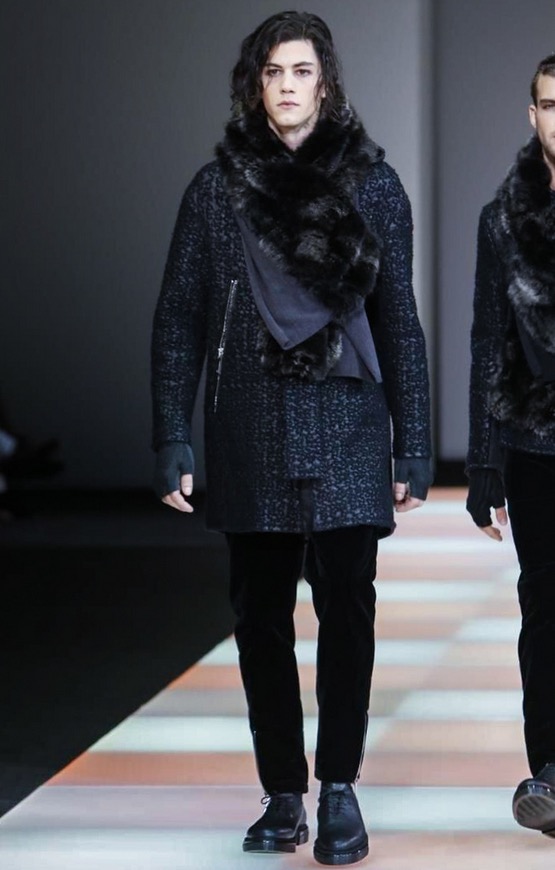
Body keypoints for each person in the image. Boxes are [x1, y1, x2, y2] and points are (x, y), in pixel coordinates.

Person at [151, 11, 432, 865]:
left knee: (348, 608)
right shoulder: (216, 190)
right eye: (272, 71)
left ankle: (338, 787)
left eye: (301, 71)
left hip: (347, 422)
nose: (285, 85)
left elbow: (398, 319)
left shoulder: (373, 186)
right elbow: (180, 315)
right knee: (260, 616)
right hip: (251, 422)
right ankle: (283, 791)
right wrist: (171, 432)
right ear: (255, 83)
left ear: (325, 83)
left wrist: (414, 442)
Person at [466, 53, 555, 839]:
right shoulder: (502, 219)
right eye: (551, 104)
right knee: (545, 605)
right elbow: (487, 341)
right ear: (531, 115)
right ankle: (550, 771)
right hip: (535, 443)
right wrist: (482, 461)